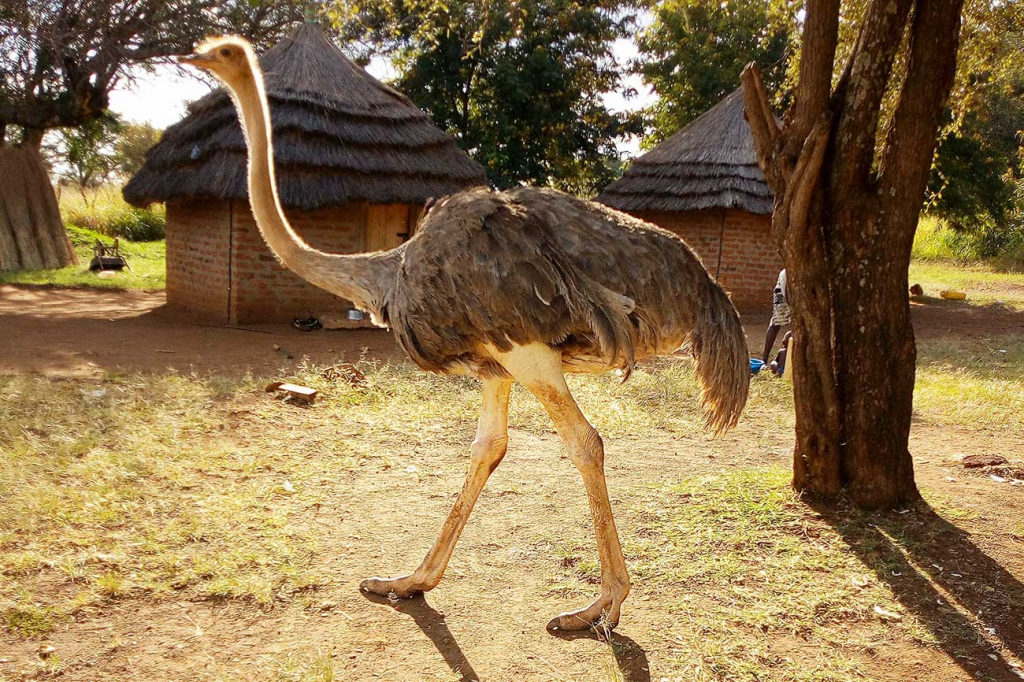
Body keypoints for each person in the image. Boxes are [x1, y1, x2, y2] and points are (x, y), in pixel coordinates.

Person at [761, 269, 790, 363]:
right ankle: (764, 361)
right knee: (775, 323)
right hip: (782, 291)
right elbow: (785, 290)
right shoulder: (786, 274)